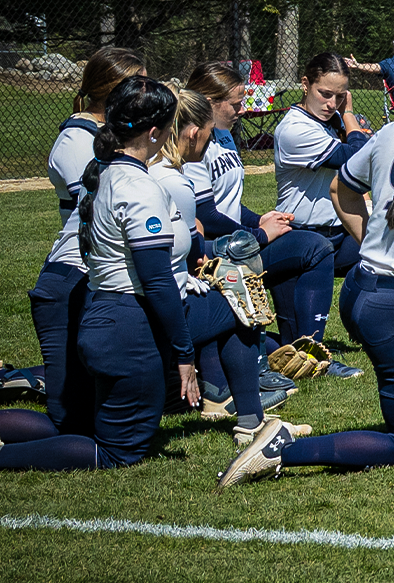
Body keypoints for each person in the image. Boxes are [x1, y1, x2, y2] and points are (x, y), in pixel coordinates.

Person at [221, 47, 394, 487]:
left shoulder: (389, 135)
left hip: (362, 289)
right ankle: (282, 448)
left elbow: (339, 189)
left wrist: (372, 247)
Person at [0, 79, 272, 470]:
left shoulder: (105, 170)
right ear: (157, 132)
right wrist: (183, 357)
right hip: (127, 327)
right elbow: (157, 280)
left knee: (79, 426)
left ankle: (250, 419)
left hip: (106, 316)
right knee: (117, 450)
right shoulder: (140, 187)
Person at [184, 62, 337, 394]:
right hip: (211, 254)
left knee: (302, 246)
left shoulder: (222, 135)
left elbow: (228, 202)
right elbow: (204, 213)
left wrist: (260, 220)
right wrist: (258, 235)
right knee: (315, 247)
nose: (243, 110)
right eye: (236, 103)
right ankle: (279, 355)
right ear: (209, 101)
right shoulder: (193, 142)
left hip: (237, 241)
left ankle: (305, 349)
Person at [28, 47, 143, 433]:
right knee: (67, 418)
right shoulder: (77, 141)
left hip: (91, 272)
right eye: (138, 85)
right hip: (70, 277)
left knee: (88, 411)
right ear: (114, 91)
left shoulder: (112, 134)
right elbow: (100, 209)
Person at [272, 52, 375, 363]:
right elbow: (355, 160)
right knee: (292, 346)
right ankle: (317, 355)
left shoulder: (326, 123)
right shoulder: (295, 129)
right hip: (300, 235)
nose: (332, 103)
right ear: (305, 85)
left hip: (336, 232)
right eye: (325, 94)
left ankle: (380, 327)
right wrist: (349, 117)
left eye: (339, 96)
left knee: (387, 251)